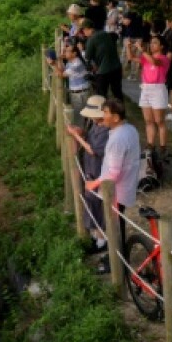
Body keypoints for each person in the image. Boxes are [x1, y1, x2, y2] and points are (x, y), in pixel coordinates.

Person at [83, 99, 140, 273]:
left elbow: (113, 173)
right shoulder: (130, 129)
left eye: (106, 113)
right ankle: (115, 255)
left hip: (116, 189)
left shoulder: (117, 139)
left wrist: (95, 183)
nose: (103, 116)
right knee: (116, 223)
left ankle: (116, 261)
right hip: (125, 185)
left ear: (115, 117)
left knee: (115, 225)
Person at [68, 101, 110, 252]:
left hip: (99, 170)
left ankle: (102, 240)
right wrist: (81, 133)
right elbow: (90, 140)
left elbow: (93, 150)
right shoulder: (96, 125)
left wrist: (75, 136)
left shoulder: (106, 130)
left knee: (98, 204)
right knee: (91, 202)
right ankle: (95, 236)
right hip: (91, 168)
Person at [130, 35, 171, 154]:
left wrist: (142, 50)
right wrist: (129, 47)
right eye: (151, 43)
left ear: (161, 46)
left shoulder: (164, 58)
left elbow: (154, 62)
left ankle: (163, 146)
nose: (152, 45)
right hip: (146, 88)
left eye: (155, 43)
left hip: (158, 89)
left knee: (159, 120)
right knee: (148, 120)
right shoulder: (147, 57)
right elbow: (131, 57)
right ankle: (150, 144)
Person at [81, 18, 124, 101]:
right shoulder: (105, 33)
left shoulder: (91, 39)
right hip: (117, 67)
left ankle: (102, 112)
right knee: (117, 93)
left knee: (101, 95)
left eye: (83, 30)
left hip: (104, 70)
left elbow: (87, 57)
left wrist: (82, 49)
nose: (83, 33)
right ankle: (120, 112)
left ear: (86, 29)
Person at [50, 42, 92, 119]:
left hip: (80, 94)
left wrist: (53, 64)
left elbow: (61, 75)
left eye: (67, 51)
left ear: (74, 53)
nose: (65, 52)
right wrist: (59, 60)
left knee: (80, 116)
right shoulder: (71, 62)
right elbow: (63, 71)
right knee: (81, 115)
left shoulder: (76, 64)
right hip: (78, 92)